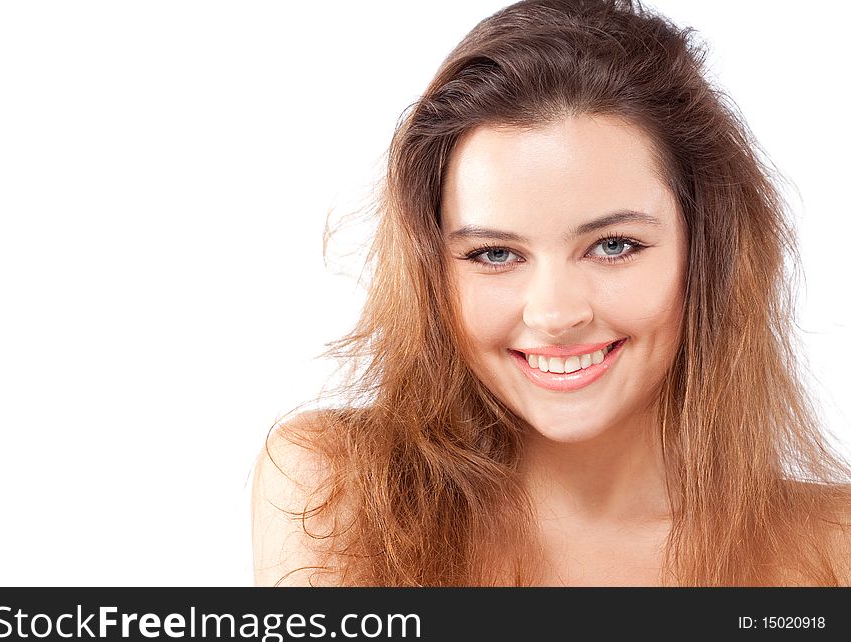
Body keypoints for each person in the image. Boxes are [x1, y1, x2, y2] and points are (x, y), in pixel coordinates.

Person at [251, 0, 851, 586]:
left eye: (613, 246)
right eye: (495, 255)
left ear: (708, 253)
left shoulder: (833, 548)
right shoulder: (338, 493)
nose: (555, 314)